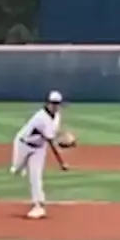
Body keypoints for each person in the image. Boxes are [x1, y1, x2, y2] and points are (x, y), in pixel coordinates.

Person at [9, 91, 71, 220]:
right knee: (16, 169)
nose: (55, 106)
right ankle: (20, 166)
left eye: (58, 104)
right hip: (23, 144)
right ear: (48, 103)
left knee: (35, 177)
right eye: (53, 103)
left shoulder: (57, 116)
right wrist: (62, 163)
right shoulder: (41, 118)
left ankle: (38, 205)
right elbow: (52, 143)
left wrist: (64, 137)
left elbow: (55, 132)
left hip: (39, 148)